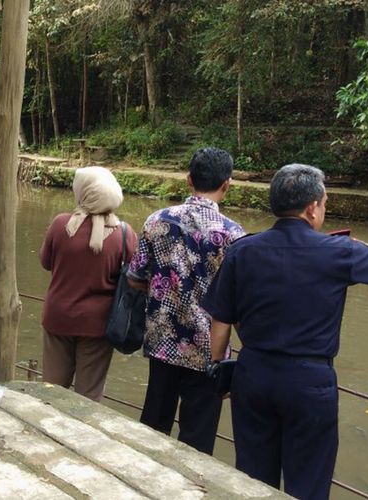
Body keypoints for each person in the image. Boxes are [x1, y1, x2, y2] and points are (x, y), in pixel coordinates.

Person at [202, 164, 368, 500]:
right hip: (308, 382)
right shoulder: (338, 251)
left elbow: (220, 319)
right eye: (324, 202)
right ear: (312, 207)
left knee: (253, 477)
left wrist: (218, 369)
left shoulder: (243, 250)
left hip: (253, 375)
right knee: (308, 480)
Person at [126, 147, 245, 454]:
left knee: (153, 426)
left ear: (189, 180)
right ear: (227, 184)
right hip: (209, 349)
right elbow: (239, 299)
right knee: (198, 439)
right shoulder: (234, 235)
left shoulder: (156, 221)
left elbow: (134, 276)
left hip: (162, 341)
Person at [39, 166, 137, 402]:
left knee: (52, 390)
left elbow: (45, 262)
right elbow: (134, 277)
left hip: (58, 317)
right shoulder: (124, 234)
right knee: (88, 396)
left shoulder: (60, 224)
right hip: (97, 325)